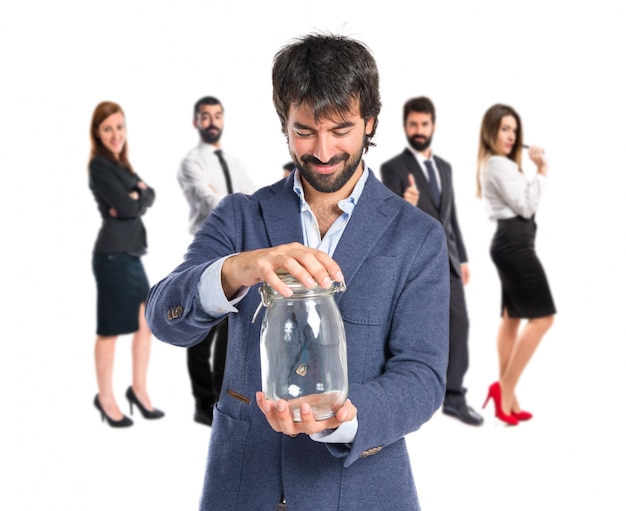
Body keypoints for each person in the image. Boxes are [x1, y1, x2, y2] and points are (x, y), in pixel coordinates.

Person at [145, 33, 450, 510]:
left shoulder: (418, 237)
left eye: (341, 129)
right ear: (283, 124)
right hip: (244, 489)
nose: (323, 151)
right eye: (305, 131)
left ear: (371, 121)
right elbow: (164, 317)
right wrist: (235, 269)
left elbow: (423, 376)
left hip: (364, 493)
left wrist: (345, 416)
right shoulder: (240, 216)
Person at [380, 96, 483, 426]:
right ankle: (407, 394)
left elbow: (450, 219)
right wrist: (405, 203)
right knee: (407, 328)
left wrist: (463, 258)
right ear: (405, 127)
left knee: (459, 325)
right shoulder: (394, 168)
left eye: (424, 124)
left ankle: (454, 397)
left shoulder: (445, 168)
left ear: (433, 126)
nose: (419, 130)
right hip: (413, 262)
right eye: (413, 124)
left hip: (448, 261)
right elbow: (388, 220)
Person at [177, 96, 256, 426]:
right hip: (207, 252)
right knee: (199, 329)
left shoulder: (234, 162)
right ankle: (202, 402)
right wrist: (232, 204)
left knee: (230, 330)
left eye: (217, 116)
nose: (212, 121)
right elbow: (212, 204)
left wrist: (235, 205)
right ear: (196, 122)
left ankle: (223, 400)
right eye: (205, 117)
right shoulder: (192, 163)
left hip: (236, 254)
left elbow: (251, 201)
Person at [476, 103, 556, 426]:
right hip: (513, 243)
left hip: (515, 242)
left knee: (512, 318)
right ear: (491, 131)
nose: (510, 135)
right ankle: (504, 388)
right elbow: (526, 206)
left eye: (514, 129)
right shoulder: (497, 164)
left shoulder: (503, 165)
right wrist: (542, 172)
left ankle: (508, 399)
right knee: (543, 318)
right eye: (504, 128)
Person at [88, 101, 164, 428]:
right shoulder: (100, 166)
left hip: (131, 255)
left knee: (145, 321)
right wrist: (134, 197)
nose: (115, 134)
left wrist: (137, 196)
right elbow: (129, 206)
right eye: (108, 129)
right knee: (110, 330)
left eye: (119, 127)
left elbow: (150, 196)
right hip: (112, 257)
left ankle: (139, 389)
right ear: (98, 133)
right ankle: (105, 398)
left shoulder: (122, 165)